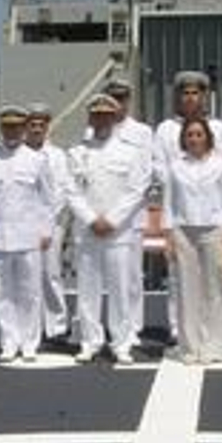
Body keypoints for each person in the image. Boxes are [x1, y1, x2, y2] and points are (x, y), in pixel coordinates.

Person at [66, 94, 153, 363]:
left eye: (107, 115)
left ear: (116, 118)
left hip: (118, 231)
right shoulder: (77, 152)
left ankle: (121, 343)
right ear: (90, 118)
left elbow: (137, 189)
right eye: (96, 115)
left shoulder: (131, 152)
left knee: (120, 289)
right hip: (87, 230)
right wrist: (92, 219)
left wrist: (112, 219)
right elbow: (70, 190)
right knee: (87, 290)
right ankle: (90, 341)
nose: (101, 119)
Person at [0, 106, 56, 363]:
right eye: (7, 127)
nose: (11, 131)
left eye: (16, 126)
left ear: (23, 128)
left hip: (29, 236)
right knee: (4, 292)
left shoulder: (36, 160)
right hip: (0, 235)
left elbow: (48, 199)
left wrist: (46, 230)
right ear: (1, 129)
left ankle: (29, 342)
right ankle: (9, 341)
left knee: (30, 291)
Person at [163, 116, 222, 364]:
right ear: (183, 139)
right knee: (186, 289)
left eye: (198, 134)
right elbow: (169, 203)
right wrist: (169, 235)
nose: (194, 139)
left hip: (213, 228)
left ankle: (215, 346)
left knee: (215, 289)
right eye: (190, 135)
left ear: (208, 137)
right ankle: (189, 347)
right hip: (184, 230)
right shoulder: (176, 166)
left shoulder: (221, 165)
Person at [24, 103, 72, 340]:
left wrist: (46, 221)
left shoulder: (57, 155)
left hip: (52, 223)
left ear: (47, 127)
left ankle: (57, 325)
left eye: (40, 124)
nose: (36, 129)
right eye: (32, 124)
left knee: (51, 274)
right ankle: (29, 324)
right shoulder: (19, 154)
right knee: (25, 276)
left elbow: (62, 191)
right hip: (22, 224)